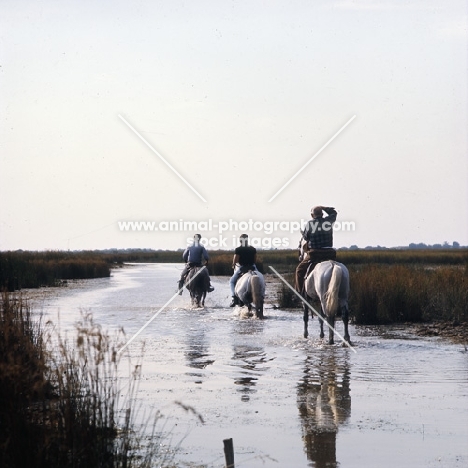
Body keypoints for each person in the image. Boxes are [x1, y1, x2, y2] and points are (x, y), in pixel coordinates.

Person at [295, 206, 338, 294]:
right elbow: (334, 213)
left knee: (299, 270)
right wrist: (324, 207)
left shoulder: (310, 224)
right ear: (322, 214)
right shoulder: (328, 221)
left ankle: (300, 294)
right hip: (330, 253)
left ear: (312, 215)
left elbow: (306, 237)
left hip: (315, 254)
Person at [229, 234, 258, 306]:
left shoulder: (238, 249)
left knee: (232, 281)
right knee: (260, 277)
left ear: (240, 241)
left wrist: (233, 265)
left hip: (242, 268)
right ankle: (262, 293)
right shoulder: (253, 249)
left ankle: (234, 298)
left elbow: (235, 261)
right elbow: (254, 260)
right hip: (252, 267)